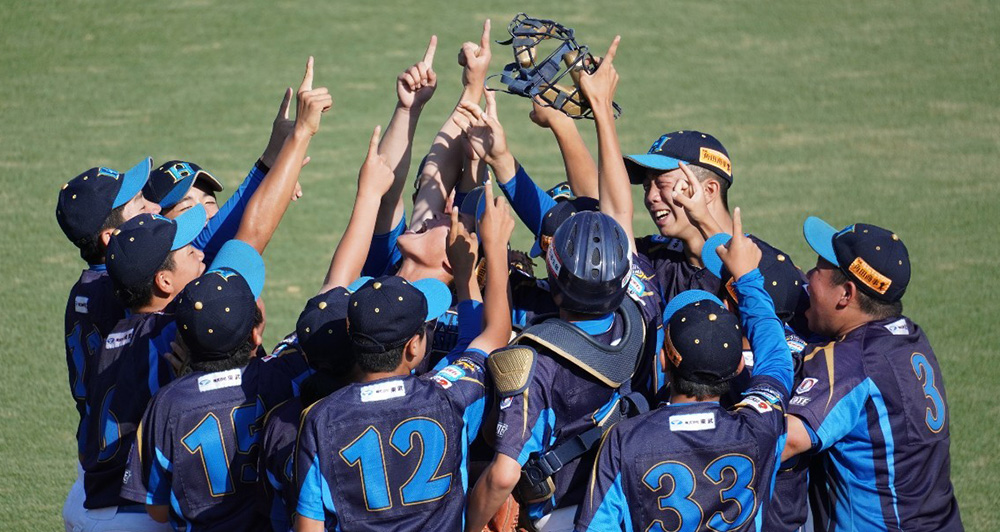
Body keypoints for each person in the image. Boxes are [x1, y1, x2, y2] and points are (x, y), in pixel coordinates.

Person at [72, 57, 332, 531]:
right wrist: (301, 137)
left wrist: (272, 162)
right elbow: (249, 234)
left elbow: (221, 237)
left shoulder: (104, 299)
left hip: (91, 491)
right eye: (185, 246)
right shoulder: (180, 325)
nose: (199, 248)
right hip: (136, 513)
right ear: (164, 283)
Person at [293, 183, 515, 531]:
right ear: (414, 348)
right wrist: (490, 255)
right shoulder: (447, 396)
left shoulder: (320, 419)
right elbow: (493, 334)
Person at [575, 211, 795, 532]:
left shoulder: (626, 439)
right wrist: (748, 279)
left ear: (664, 360)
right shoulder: (762, 426)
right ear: (737, 366)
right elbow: (776, 357)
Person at [781, 217, 963, 531]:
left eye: (818, 269)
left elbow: (785, 440)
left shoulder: (853, 361)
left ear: (846, 294)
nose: (808, 278)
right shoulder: (909, 336)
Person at [119, 240, 311, 530]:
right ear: (255, 336)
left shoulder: (167, 402)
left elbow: (157, 510)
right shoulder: (277, 378)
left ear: (183, 340)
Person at [56, 157, 162, 530]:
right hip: (123, 500)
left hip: (90, 481)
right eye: (139, 204)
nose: (154, 206)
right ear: (111, 239)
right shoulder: (121, 297)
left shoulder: (84, 290)